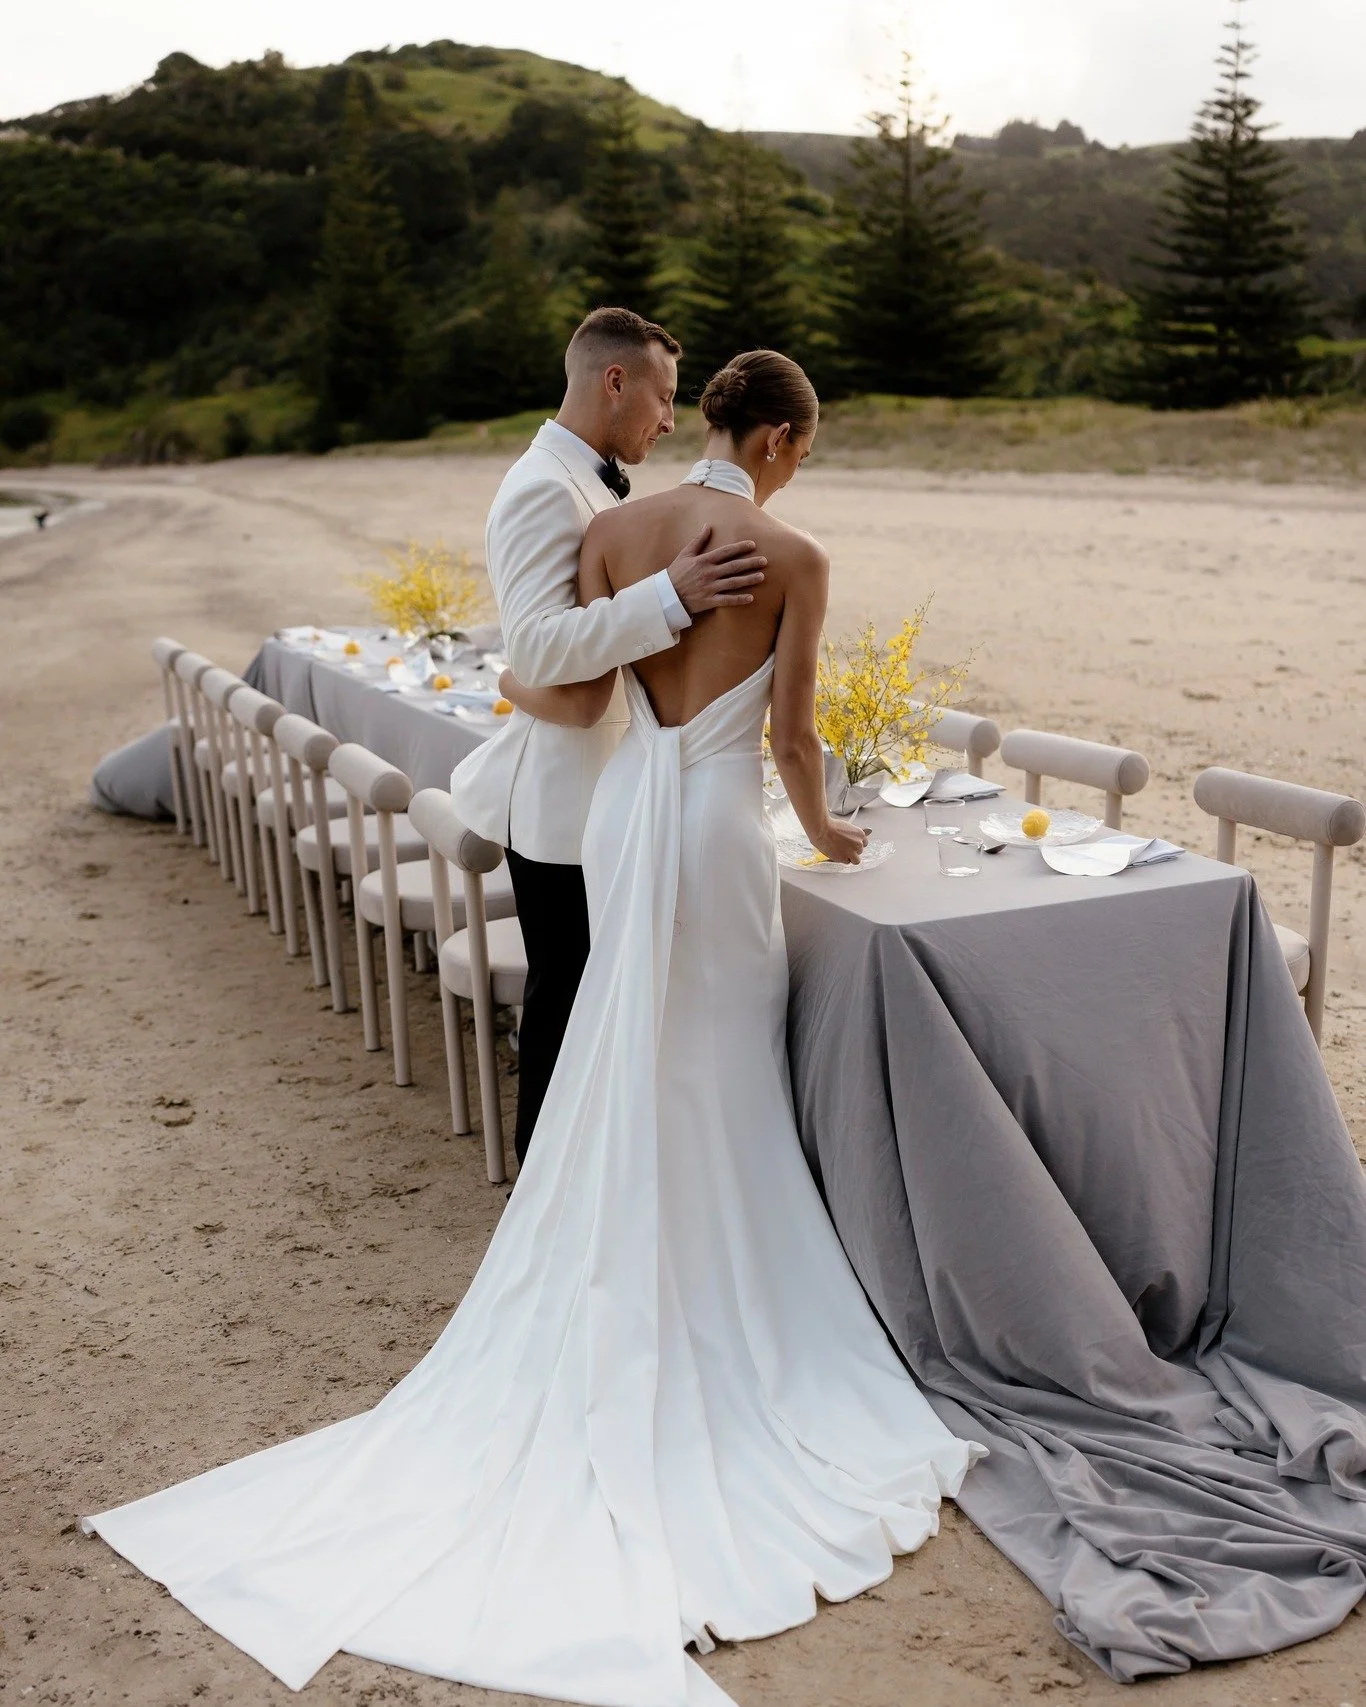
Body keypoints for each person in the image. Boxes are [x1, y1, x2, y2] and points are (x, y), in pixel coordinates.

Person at [80, 350, 982, 1707]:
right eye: (806, 442)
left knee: (636, 1041)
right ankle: (719, 1277)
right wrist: (834, 834)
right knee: (717, 1055)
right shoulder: (790, 552)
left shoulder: (613, 528)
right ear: (784, 437)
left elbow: (564, 675)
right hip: (714, 830)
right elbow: (793, 742)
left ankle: (634, 1245)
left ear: (713, 425)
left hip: (626, 815)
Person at [449, 306, 768, 1165]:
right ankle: (537, 1197)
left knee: (593, 1004)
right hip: (562, 805)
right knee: (563, 1007)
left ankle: (584, 1185)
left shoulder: (588, 483)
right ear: (613, 381)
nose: (671, 421)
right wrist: (673, 594)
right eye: (662, 398)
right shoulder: (536, 488)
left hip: (612, 791)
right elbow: (539, 646)